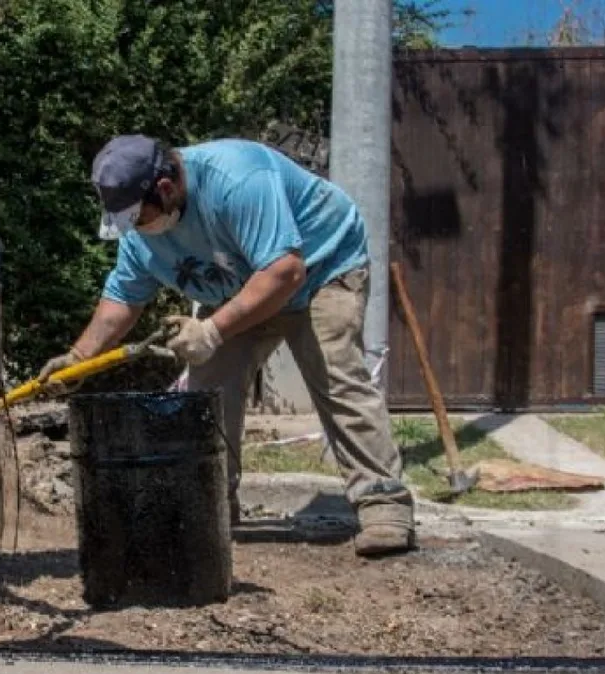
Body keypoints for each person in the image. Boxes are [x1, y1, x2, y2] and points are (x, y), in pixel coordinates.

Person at [39, 135, 416, 557]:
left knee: (335, 374)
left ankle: (384, 503)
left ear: (166, 188)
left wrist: (211, 331)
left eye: (140, 218)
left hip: (318, 269)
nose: (135, 230)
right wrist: (77, 359)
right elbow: (123, 299)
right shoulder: (137, 229)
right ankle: (212, 505)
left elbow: (284, 271)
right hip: (241, 282)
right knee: (207, 392)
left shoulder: (237, 179)